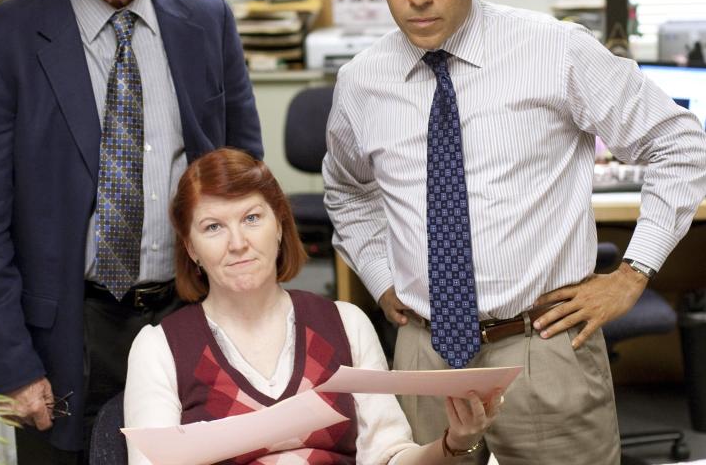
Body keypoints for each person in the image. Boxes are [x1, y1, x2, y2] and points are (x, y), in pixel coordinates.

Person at [322, 0, 706, 465]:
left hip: (542, 347)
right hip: (424, 355)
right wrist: (378, 272)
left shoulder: (556, 51)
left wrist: (632, 274)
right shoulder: (360, 84)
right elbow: (347, 191)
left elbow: (679, 145)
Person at [0, 0, 262, 463]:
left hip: (190, 311)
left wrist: (252, 313)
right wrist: (10, 364)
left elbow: (245, 181)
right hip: (69, 332)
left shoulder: (206, 22)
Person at [124, 148, 503, 464]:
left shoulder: (345, 324)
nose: (237, 243)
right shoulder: (160, 348)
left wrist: (454, 442)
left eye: (252, 218)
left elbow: (387, 456)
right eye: (213, 227)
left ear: (279, 225)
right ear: (191, 248)